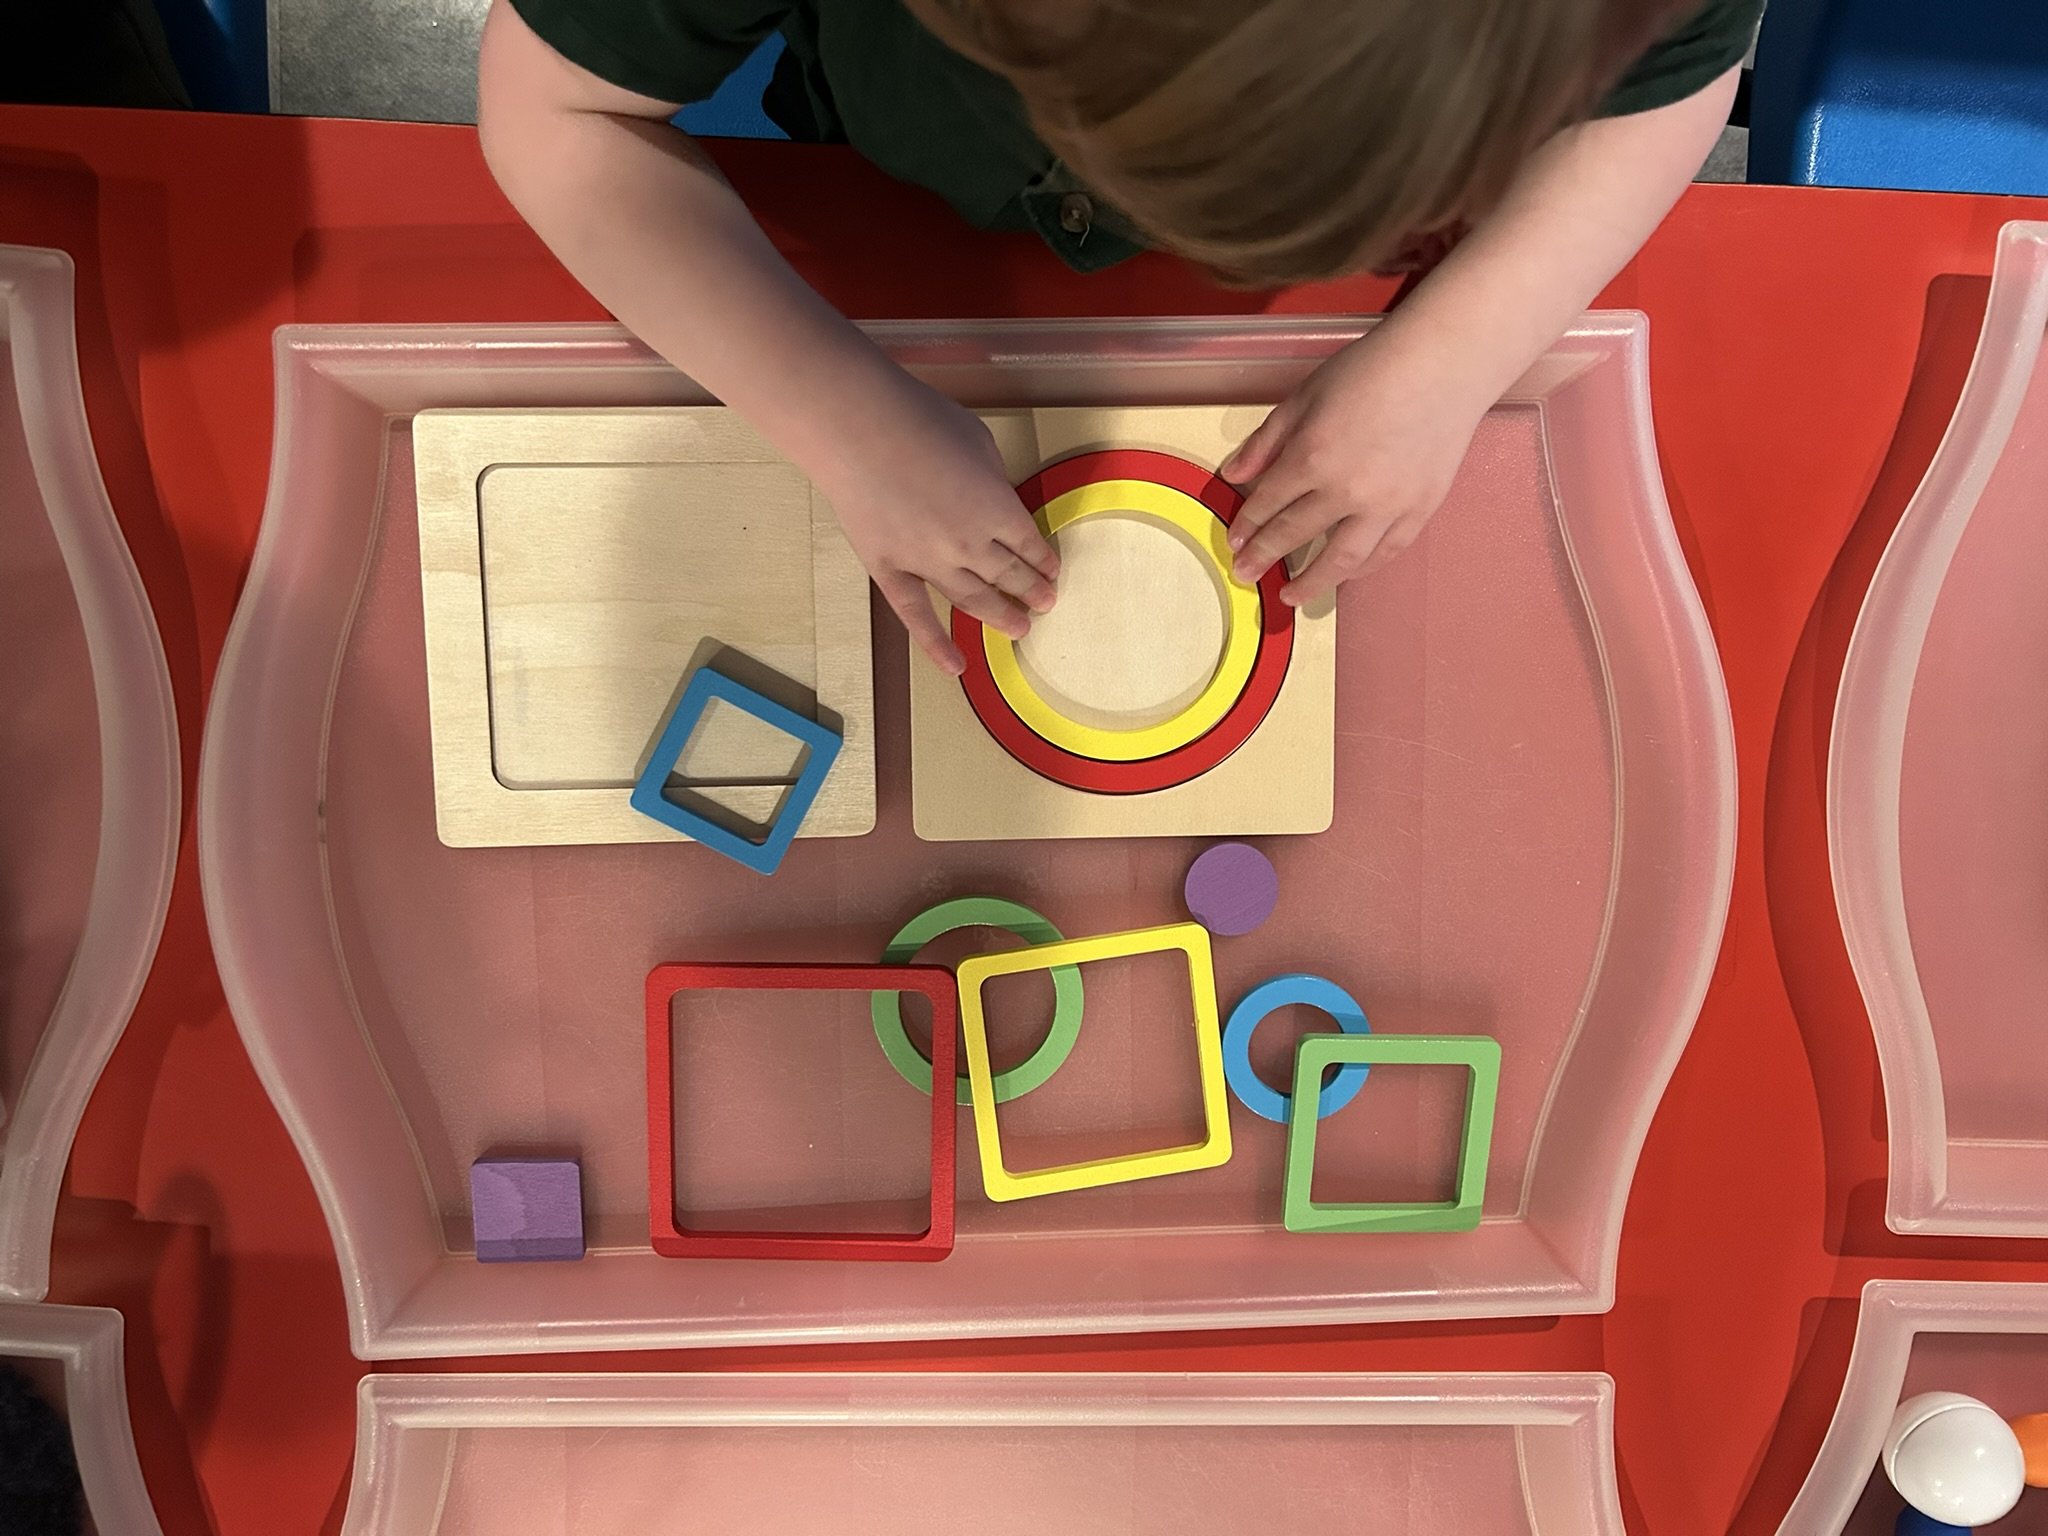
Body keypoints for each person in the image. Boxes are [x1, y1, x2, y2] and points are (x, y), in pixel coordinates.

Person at [477, 0, 1757, 674]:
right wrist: (838, 420)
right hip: (876, 202)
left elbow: (1681, 81)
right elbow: (553, 122)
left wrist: (1458, 354)